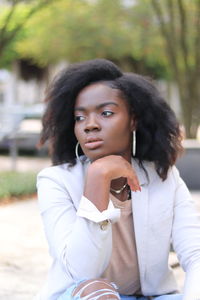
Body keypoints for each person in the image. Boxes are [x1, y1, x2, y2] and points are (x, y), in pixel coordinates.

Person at [36, 59, 200, 300]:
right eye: (79, 118)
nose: (90, 125)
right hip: (81, 295)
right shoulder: (55, 181)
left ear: (133, 120)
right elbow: (82, 271)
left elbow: (196, 254)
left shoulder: (163, 177)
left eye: (106, 113)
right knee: (98, 292)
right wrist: (97, 178)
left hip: (152, 297)